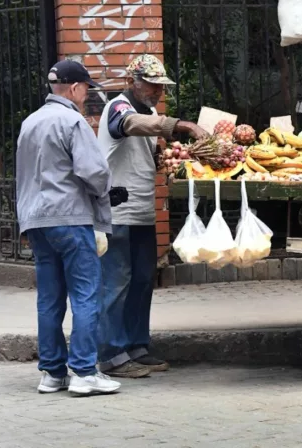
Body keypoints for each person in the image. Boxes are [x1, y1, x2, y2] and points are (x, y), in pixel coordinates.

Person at [97, 54, 208, 378]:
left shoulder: (150, 112)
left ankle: (135, 346)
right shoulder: (119, 107)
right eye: (152, 84)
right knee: (117, 282)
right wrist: (181, 125)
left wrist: (170, 158)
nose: (158, 91)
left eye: (161, 86)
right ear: (133, 81)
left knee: (143, 280)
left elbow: (145, 153)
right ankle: (111, 355)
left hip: (143, 211)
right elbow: (127, 126)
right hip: (117, 212)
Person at [16, 60, 121, 396]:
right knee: (86, 294)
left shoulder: (30, 122)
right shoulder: (72, 120)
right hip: (70, 218)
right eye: (85, 88)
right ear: (75, 88)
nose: (86, 93)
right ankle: (84, 372)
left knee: (49, 299)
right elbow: (93, 171)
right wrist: (106, 192)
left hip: (37, 221)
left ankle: (52, 373)